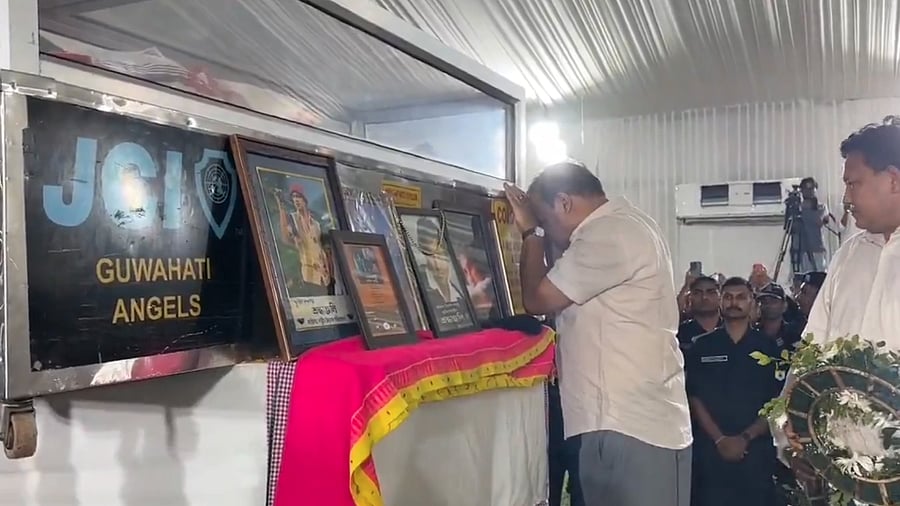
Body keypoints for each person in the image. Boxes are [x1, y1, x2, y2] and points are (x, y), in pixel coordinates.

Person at [503, 161, 692, 506]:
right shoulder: (630, 224)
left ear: (564, 202)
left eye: (545, 218)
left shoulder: (607, 234)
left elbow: (537, 299)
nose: (548, 229)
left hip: (622, 426)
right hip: (641, 423)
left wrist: (532, 234)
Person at [778, 116, 900, 486]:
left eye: (853, 183)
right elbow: (811, 354)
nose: (846, 198)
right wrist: (794, 437)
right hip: (847, 472)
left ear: (893, 179)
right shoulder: (848, 257)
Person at [686, 277, 782, 506]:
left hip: (755, 452)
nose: (733, 303)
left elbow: (777, 401)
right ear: (720, 301)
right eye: (728, 297)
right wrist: (719, 439)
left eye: (741, 297)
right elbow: (694, 397)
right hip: (711, 452)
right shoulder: (702, 346)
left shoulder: (769, 348)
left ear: (752, 302)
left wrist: (746, 438)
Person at [276, 184, 330, 292]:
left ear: (304, 200)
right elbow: (286, 237)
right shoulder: (292, 218)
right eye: (293, 197)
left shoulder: (316, 223)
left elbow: (322, 248)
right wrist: (281, 206)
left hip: (324, 277)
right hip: (308, 277)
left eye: (298, 196)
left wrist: (327, 270)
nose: (296, 200)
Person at [676, 276, 722, 353]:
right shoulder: (681, 331)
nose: (704, 297)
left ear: (720, 296)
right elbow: (670, 317)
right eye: (697, 293)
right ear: (689, 297)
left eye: (711, 292)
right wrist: (685, 287)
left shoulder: (730, 328)